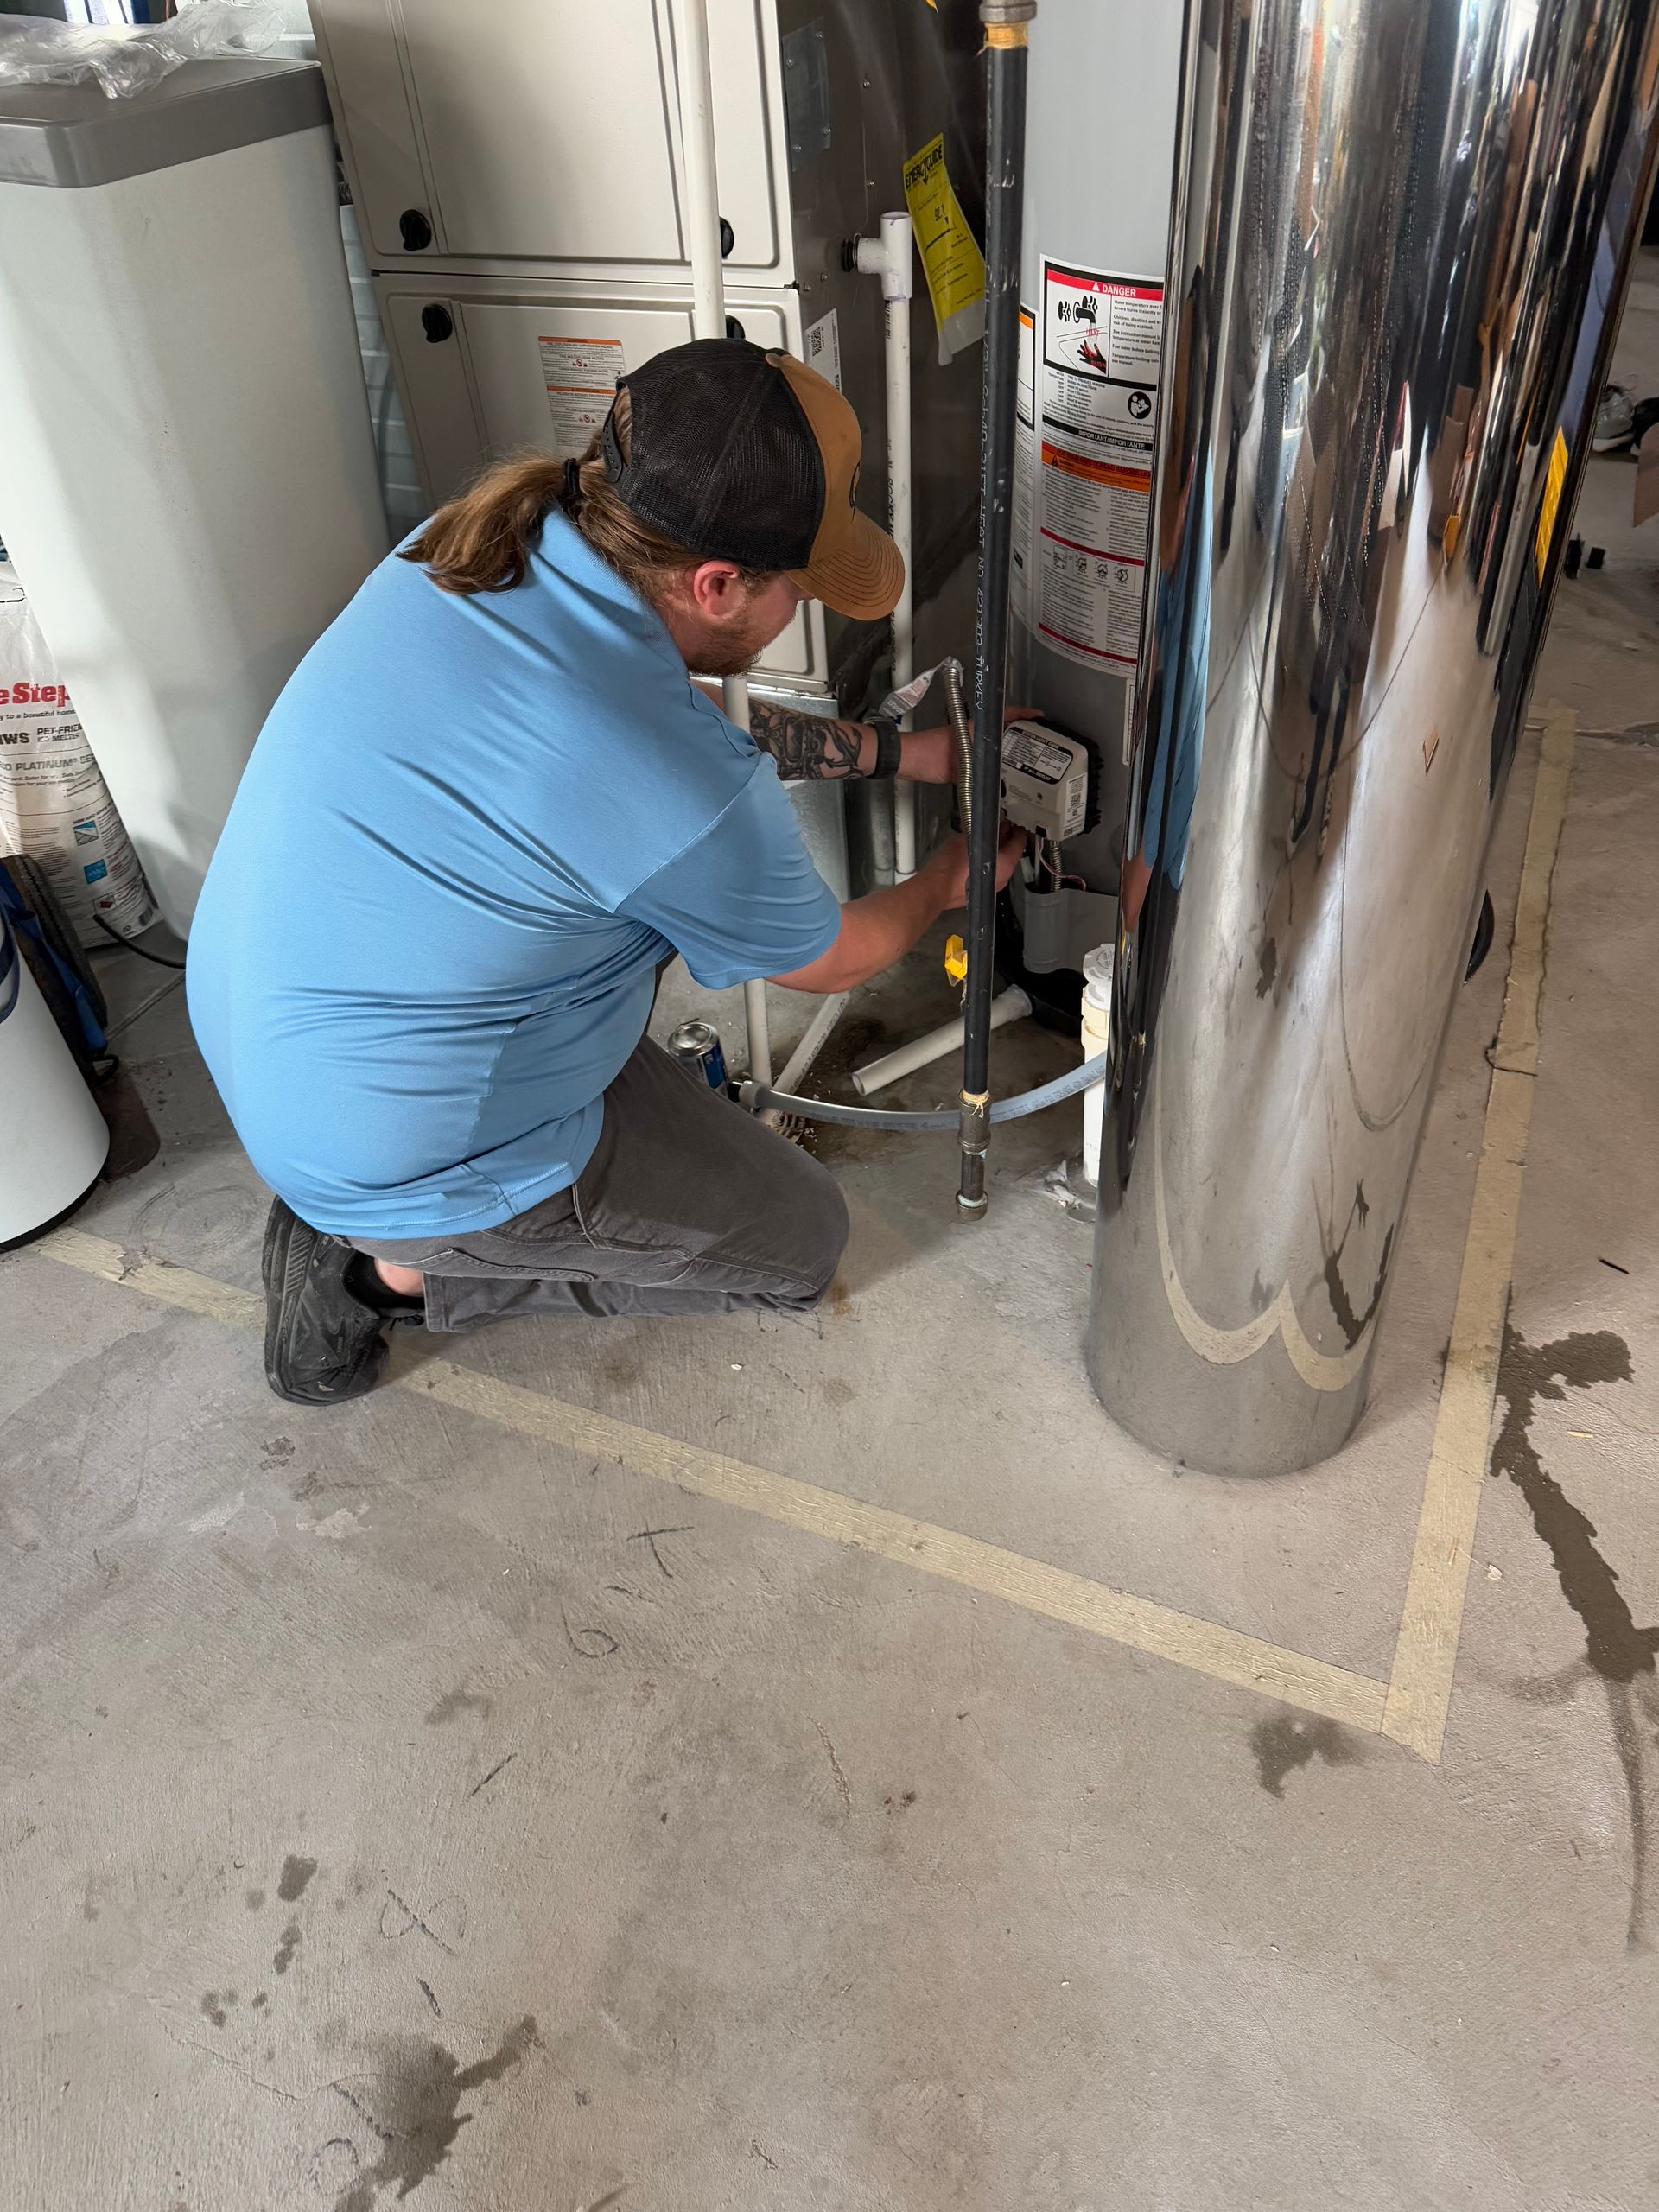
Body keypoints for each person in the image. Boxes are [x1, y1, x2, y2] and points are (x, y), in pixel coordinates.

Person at [187, 339, 1022, 1406]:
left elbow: (669, 726)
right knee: (802, 1244)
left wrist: (907, 753)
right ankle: (383, 1269)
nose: (800, 611)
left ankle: (363, 1195)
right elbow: (832, 956)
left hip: (279, 1021)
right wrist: (948, 879)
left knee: (621, 932)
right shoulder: (670, 779)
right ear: (717, 585)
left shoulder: (479, 541)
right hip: (402, 1142)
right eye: (798, 589)